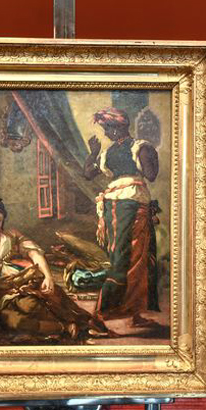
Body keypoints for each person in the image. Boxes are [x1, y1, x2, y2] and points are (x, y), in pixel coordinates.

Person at [0, 197, 111, 343]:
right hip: (0, 294)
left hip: (25, 280)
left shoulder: (12, 236)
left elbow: (35, 254)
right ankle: (65, 329)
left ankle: (83, 324)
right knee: (15, 322)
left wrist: (48, 276)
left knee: (37, 302)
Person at [83, 107, 159, 324]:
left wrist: (94, 153)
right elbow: (151, 174)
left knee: (137, 257)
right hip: (124, 206)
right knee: (126, 258)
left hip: (130, 206)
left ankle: (134, 313)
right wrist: (94, 153)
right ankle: (99, 315)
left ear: (117, 128)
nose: (106, 134)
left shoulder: (136, 147)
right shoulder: (137, 148)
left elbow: (150, 174)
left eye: (107, 129)